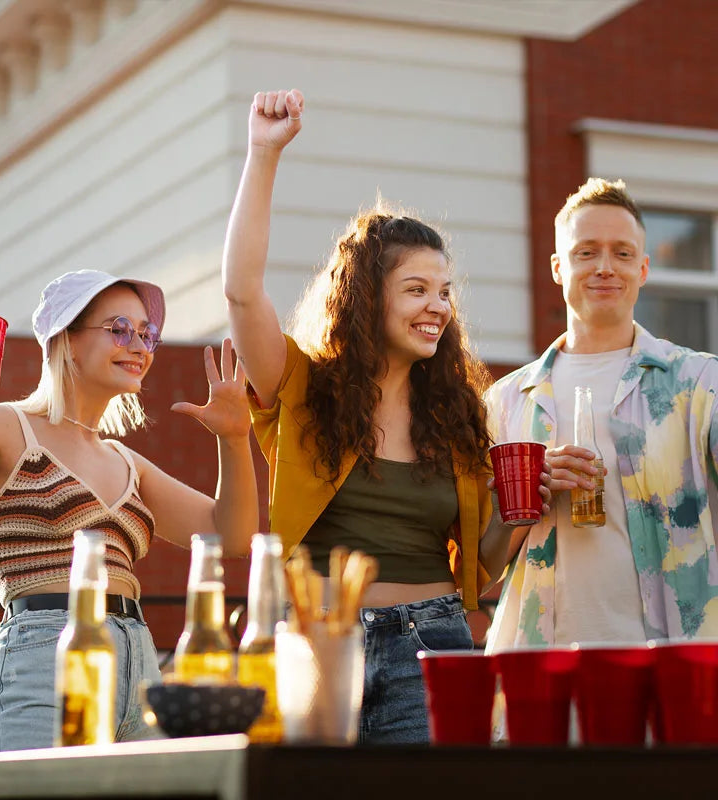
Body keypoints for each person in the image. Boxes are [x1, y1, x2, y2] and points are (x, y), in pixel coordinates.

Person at [222, 89, 550, 744]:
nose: (437, 307)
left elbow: (478, 569)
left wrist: (519, 517)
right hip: (314, 642)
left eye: (445, 292)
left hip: (433, 646)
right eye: (417, 289)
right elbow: (240, 290)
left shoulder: (457, 413)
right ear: (368, 299)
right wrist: (263, 154)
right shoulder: (302, 388)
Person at [0, 269, 258, 752]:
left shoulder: (127, 462)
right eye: (119, 329)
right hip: (42, 661)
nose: (138, 345)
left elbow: (233, 536)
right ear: (67, 340)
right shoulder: (4, 426)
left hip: (138, 665)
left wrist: (235, 438)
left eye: (147, 334)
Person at [485, 177, 718, 653]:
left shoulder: (700, 384)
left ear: (644, 268)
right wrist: (530, 492)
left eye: (623, 253)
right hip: (539, 664)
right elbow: (476, 570)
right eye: (586, 252)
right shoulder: (507, 401)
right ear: (557, 267)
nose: (605, 268)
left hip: (676, 665)